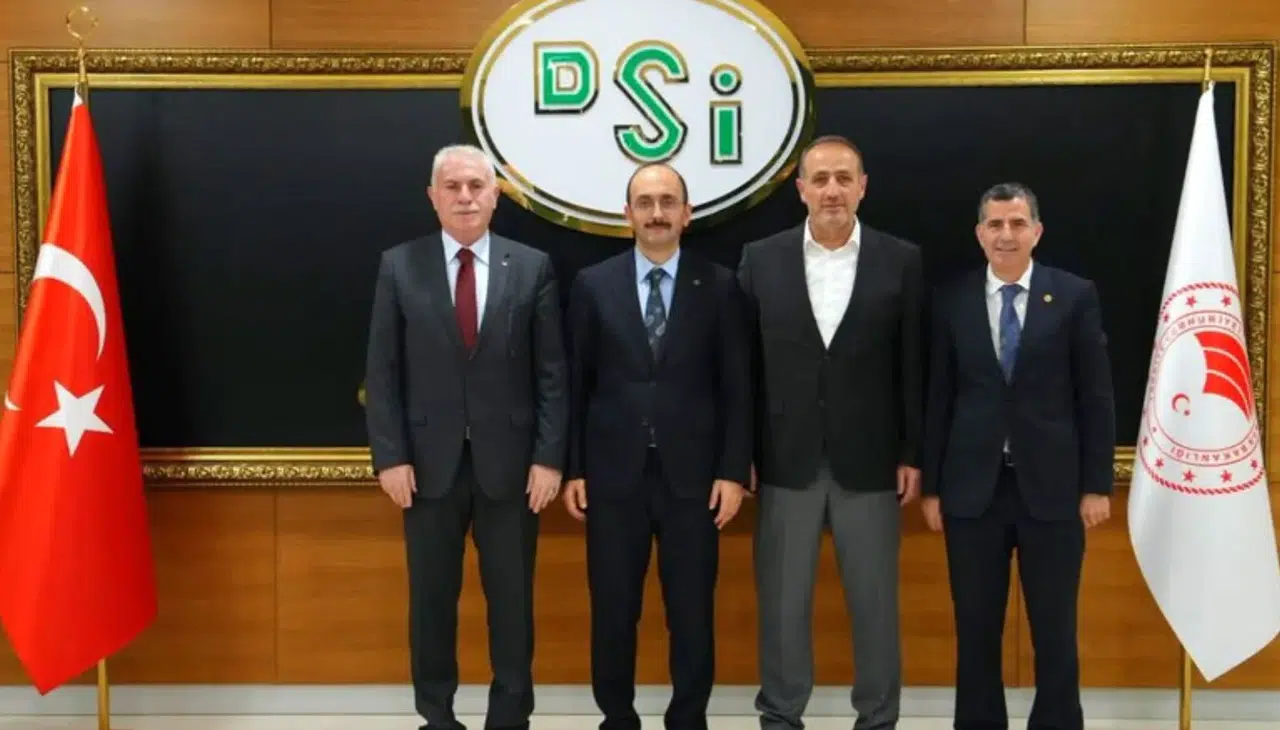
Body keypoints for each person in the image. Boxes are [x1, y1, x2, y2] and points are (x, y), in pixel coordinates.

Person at [363, 143, 568, 730]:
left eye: (477, 186)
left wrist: (549, 459)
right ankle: (437, 715)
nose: (465, 197)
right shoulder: (399, 266)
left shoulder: (531, 267)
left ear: (496, 196)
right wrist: (390, 457)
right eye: (452, 187)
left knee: (512, 603)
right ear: (433, 197)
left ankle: (510, 716)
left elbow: (552, 373)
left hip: (514, 467)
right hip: (426, 468)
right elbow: (382, 372)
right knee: (431, 601)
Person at [737, 134, 924, 730]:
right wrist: (740, 454)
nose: (832, 190)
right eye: (820, 179)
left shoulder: (901, 260)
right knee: (782, 605)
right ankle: (781, 717)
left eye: (844, 178)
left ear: (863, 187)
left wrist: (912, 451)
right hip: (783, 460)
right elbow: (743, 369)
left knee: (874, 604)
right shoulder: (760, 259)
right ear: (800, 190)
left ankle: (878, 719)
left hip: (871, 462)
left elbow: (913, 365)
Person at [561, 162, 752, 730]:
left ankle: (688, 718)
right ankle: (616, 717)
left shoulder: (720, 285)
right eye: (644, 202)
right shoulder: (592, 285)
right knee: (614, 611)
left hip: (695, 481)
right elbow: (574, 384)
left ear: (687, 214)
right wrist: (573, 468)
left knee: (690, 612)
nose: (657, 213)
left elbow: (738, 387)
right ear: (627, 214)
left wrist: (732, 471)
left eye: (668, 201)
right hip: (611, 478)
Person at [920, 182, 1115, 730]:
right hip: (971, 492)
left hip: (1053, 491)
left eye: (1017, 223)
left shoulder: (1073, 295)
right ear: (980, 234)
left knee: (1054, 628)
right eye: (996, 224)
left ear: (1037, 231)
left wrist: (1096, 484)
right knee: (975, 628)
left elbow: (1095, 396)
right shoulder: (951, 299)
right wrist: (932, 487)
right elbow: (938, 398)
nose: (1006, 234)